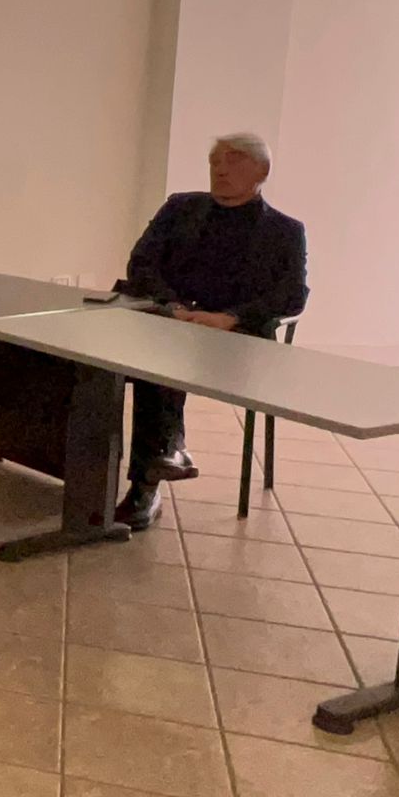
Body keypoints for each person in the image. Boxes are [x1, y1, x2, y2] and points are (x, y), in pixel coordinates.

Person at [115, 132, 308, 530]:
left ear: (262, 171)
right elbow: (141, 263)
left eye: (233, 160)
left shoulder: (285, 230)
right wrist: (173, 307)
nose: (220, 169)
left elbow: (291, 295)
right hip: (175, 323)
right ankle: (154, 465)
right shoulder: (180, 208)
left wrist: (231, 318)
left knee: (160, 359)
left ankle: (151, 477)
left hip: (236, 340)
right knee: (131, 359)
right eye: (215, 161)